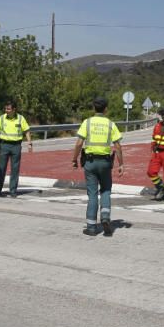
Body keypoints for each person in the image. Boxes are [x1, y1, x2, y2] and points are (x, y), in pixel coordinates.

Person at [71, 97, 124, 237]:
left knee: (92, 194)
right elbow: (117, 146)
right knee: (106, 190)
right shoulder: (111, 124)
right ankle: (105, 216)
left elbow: (78, 143)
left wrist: (74, 159)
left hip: (90, 162)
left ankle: (92, 227)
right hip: (106, 163)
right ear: (106, 109)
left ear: (94, 108)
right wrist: (121, 164)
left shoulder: (87, 123)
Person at [0, 100, 33, 197]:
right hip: (4, 145)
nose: (6, 110)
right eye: (6, 108)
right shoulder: (1, 118)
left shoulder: (20, 118)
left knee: (15, 168)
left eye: (8, 109)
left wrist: (30, 143)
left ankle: (13, 191)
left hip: (16, 146)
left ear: (14, 109)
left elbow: (26, 131)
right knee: (1, 168)